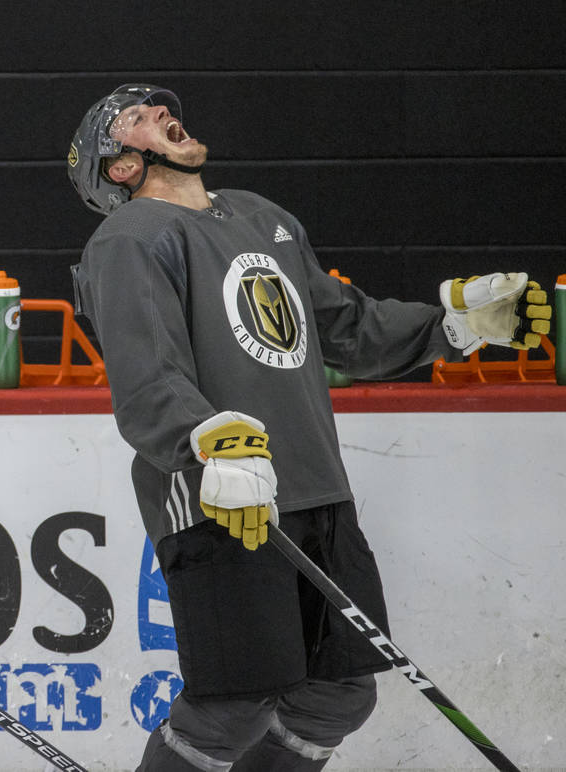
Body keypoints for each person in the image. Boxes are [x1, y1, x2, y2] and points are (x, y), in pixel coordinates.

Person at [65, 84, 550, 771]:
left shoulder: (264, 219)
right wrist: (206, 441)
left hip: (316, 488)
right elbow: (146, 377)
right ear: (120, 167)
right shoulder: (130, 238)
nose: (164, 115)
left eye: (163, 107)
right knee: (235, 702)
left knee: (339, 694)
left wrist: (452, 325)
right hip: (221, 499)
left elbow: (344, 327)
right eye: (137, 119)